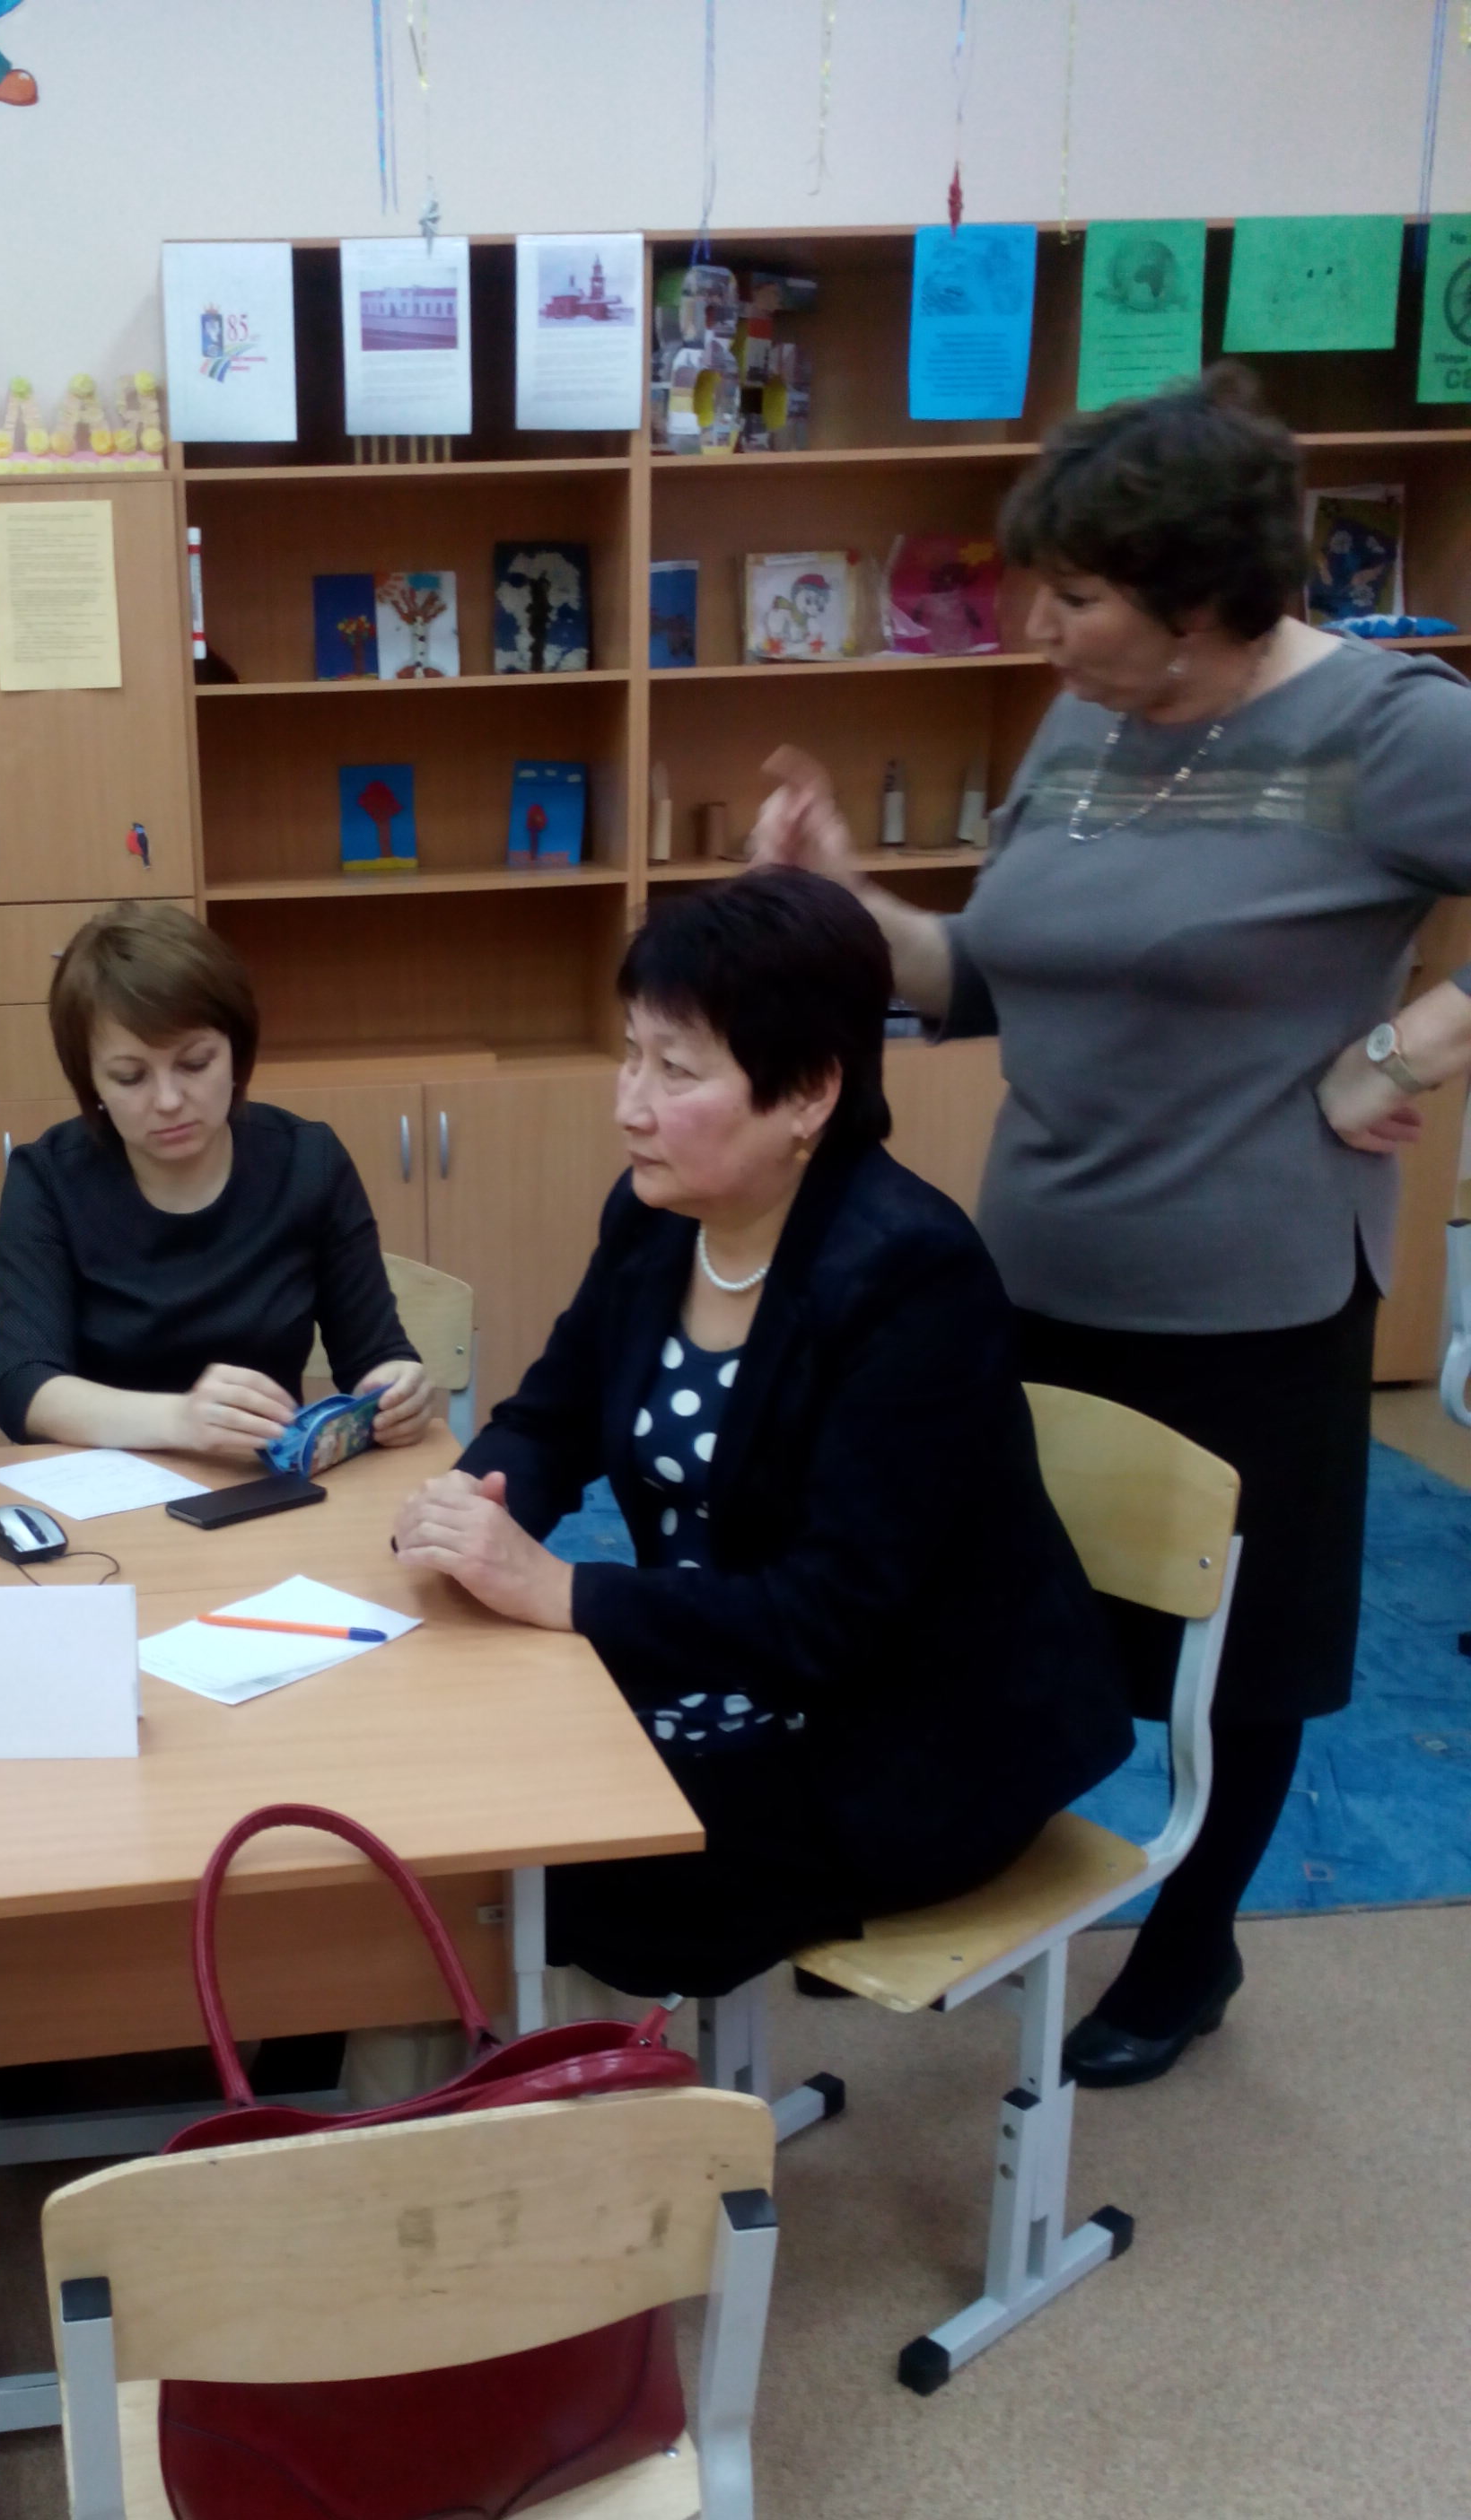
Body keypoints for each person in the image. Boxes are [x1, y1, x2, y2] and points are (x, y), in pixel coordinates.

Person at [751, 364, 1471, 2086]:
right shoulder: (1086, 719)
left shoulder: (1383, 730)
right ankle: (981, 1867)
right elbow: (988, 970)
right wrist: (845, 900)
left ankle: (1190, 1941)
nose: (1035, 625)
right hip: (1029, 1259)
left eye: (1073, 595)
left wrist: (1402, 1045)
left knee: (1234, 1654)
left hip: (1248, 1287)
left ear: (1199, 596)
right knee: (1002, 1597)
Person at [391, 870, 1132, 2001]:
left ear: (810, 1094)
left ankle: (572, 2094)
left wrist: (562, 1592)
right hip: (711, 1667)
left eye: (677, 1070)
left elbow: (829, 1617)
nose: (630, 1105)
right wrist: (472, 1503)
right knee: (440, 1777)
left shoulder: (909, 1277)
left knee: (534, 1865)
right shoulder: (656, 1217)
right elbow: (550, 1416)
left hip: (905, 1739)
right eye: (630, 1055)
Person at [0, 902, 432, 1455]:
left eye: (195, 1064)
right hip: (108, 1484)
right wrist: (178, 1420)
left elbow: (372, 1355)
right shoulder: (48, 1178)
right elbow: (23, 1384)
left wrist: (396, 1388)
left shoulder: (307, 1162)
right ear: (92, 1083)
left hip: (263, 1477)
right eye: (130, 1077)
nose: (168, 1100)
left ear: (236, 1054)